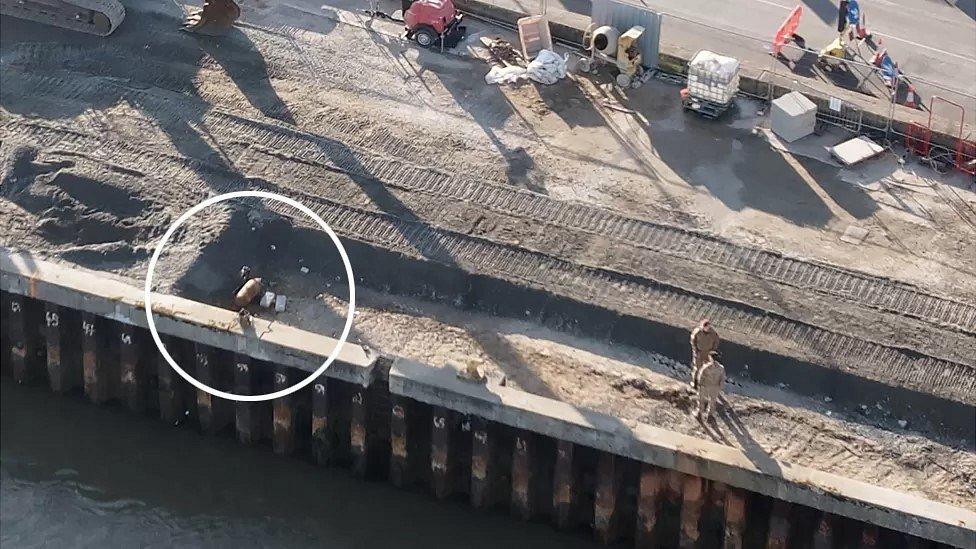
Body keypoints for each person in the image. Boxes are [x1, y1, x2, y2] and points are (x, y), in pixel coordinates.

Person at [695, 351, 726, 421]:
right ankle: (710, 415)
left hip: (705, 385)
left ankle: (699, 413)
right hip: (715, 387)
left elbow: (700, 376)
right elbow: (723, 378)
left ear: (710, 358)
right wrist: (720, 388)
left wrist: (699, 385)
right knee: (712, 401)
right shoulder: (721, 368)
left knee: (701, 400)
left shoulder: (706, 367)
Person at [690, 319, 719, 388]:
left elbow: (716, 341)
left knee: (707, 369)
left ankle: (704, 383)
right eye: (705, 327)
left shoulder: (713, 333)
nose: (707, 329)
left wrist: (713, 350)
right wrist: (695, 350)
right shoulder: (698, 332)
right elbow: (693, 340)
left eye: (708, 327)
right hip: (699, 352)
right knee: (697, 368)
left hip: (708, 353)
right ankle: (695, 382)